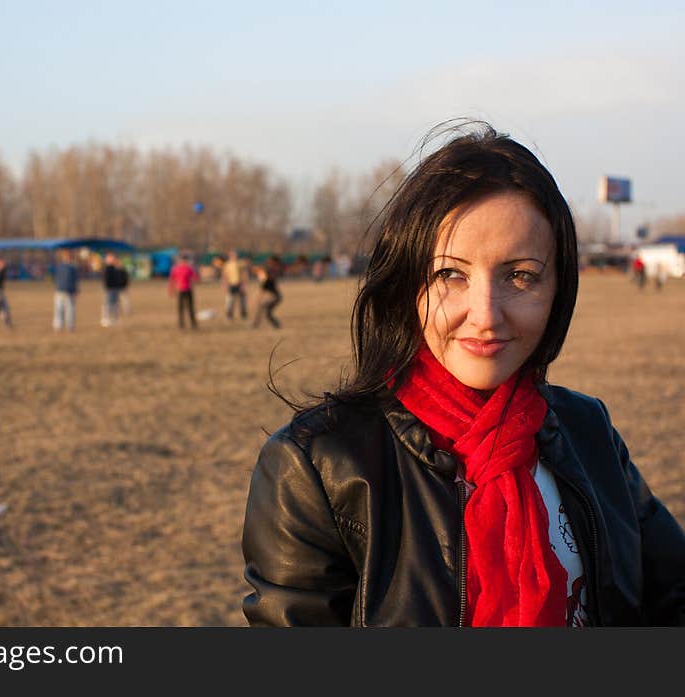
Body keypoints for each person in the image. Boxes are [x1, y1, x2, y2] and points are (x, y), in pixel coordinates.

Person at [242, 124, 685, 627]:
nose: (486, 314)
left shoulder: (588, 432)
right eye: (451, 275)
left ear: (558, 288)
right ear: (408, 281)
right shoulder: (317, 468)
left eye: (520, 275)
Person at [168, 252, 199, 330]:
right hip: (180, 290)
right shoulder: (176, 269)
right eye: (182, 260)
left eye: (185, 260)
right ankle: (181, 324)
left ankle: (193, 324)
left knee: (190, 307)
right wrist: (171, 290)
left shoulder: (188, 268)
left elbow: (196, 278)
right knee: (180, 308)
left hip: (188, 289)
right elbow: (172, 280)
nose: (184, 262)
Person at [252, 255, 283, 329]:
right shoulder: (267, 276)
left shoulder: (266, 278)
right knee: (267, 313)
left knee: (261, 307)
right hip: (276, 297)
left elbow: (262, 290)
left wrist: (256, 299)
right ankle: (277, 325)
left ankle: (255, 324)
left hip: (275, 297)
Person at [52, 249, 78, 332]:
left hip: (66, 291)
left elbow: (74, 280)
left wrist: (75, 290)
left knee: (66, 310)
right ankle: (59, 326)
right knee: (60, 310)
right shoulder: (68, 268)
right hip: (62, 291)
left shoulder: (69, 268)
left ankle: (68, 326)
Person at [101, 252, 129, 327]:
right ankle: (106, 319)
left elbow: (121, 278)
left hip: (116, 289)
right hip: (110, 289)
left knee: (115, 304)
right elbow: (106, 280)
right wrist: (108, 287)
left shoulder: (116, 268)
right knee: (108, 304)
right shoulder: (107, 268)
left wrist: (121, 286)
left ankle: (114, 319)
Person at [221, 250, 249, 321]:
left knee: (242, 301)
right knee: (230, 301)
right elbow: (225, 275)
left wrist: (244, 285)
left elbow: (244, 274)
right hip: (231, 284)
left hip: (239, 284)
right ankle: (229, 316)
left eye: (235, 255)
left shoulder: (241, 263)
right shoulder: (227, 264)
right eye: (232, 255)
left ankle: (243, 315)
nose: (234, 256)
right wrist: (224, 285)